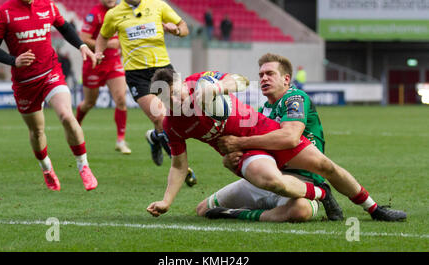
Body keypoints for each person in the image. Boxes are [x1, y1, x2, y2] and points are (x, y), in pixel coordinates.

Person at [146, 68, 407, 222]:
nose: (176, 101)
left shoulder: (201, 81)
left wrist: (219, 86)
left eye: (177, 93)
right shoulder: (172, 124)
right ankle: (321, 194)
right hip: (244, 152)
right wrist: (166, 201)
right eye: (169, 100)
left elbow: (240, 80)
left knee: (325, 165)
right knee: (271, 180)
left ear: (181, 83)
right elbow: (179, 166)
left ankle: (374, 208)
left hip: (265, 132)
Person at [0, 0, 98, 191]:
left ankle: (83, 166)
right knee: (37, 131)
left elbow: (65, 28)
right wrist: (13, 61)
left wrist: (82, 47)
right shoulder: (4, 13)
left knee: (67, 115)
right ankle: (46, 167)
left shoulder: (48, 6)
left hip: (50, 73)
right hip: (25, 82)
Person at [197, 53, 343, 222]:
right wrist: (230, 162)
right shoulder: (259, 113)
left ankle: (235, 213)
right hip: (265, 181)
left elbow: (289, 138)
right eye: (261, 75)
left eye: (270, 74)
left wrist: (240, 143)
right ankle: (260, 211)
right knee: (203, 209)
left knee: (300, 211)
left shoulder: (296, 99)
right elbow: (251, 158)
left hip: (301, 184)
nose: (264, 79)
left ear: (286, 79)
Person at [95, 0, 189, 167]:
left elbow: (184, 27)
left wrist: (177, 30)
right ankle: (181, 167)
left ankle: (154, 138)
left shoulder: (158, 6)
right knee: (160, 117)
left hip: (164, 69)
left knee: (183, 111)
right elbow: (103, 36)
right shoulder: (114, 15)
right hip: (137, 74)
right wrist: (98, 52)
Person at [76, 0, 131, 155]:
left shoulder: (121, 12)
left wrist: (122, 48)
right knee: (89, 103)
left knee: (121, 99)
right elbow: (83, 38)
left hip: (113, 63)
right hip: (94, 63)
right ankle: (75, 127)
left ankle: (121, 140)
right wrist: (108, 44)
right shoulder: (94, 15)